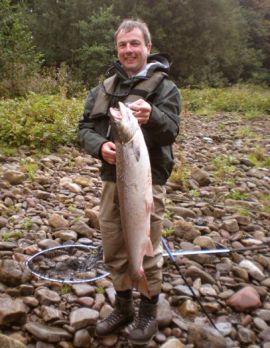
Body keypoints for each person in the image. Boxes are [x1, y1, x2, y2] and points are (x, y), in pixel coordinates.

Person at [78, 19, 181, 345]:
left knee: (146, 249)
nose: (128, 50)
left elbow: (171, 130)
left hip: (147, 183)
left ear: (147, 47)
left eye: (134, 44)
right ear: (117, 49)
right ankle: (123, 306)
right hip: (113, 180)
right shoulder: (103, 89)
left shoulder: (165, 88)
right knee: (113, 245)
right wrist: (100, 146)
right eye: (123, 45)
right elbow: (84, 130)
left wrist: (153, 116)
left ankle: (148, 310)